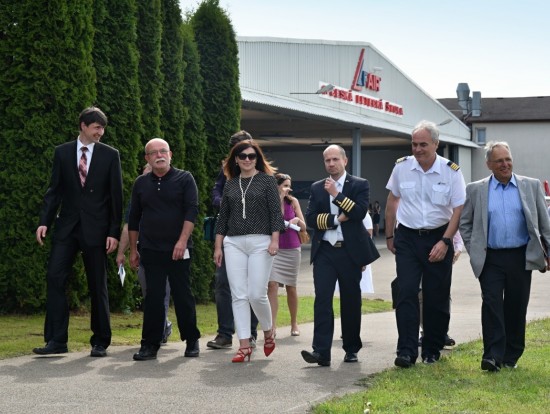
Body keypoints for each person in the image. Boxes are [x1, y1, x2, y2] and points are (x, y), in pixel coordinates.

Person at [33, 107, 123, 357]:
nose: (100, 132)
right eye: (96, 127)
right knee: (54, 277)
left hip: (97, 230)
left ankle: (100, 341)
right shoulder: (62, 153)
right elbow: (55, 190)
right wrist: (44, 222)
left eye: (103, 128)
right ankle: (56, 340)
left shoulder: (110, 155)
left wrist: (114, 232)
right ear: (83, 125)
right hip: (67, 227)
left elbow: (116, 196)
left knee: (98, 285)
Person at [459, 141, 550, 372]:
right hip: (490, 259)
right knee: (491, 304)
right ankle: (491, 355)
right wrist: (474, 248)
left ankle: (511, 355)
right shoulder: (476, 189)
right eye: (499, 161)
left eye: (508, 159)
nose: (505, 164)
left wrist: (548, 252)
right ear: (489, 164)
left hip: (521, 257)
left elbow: (544, 224)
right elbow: (465, 223)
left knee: (516, 306)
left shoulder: (530, 186)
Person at [385, 120, 466, 368]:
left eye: (423, 144)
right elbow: (392, 202)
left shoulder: (451, 171)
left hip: (439, 236)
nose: (417, 149)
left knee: (436, 295)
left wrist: (445, 241)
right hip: (407, 237)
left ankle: (432, 348)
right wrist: (389, 236)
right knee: (407, 292)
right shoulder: (402, 168)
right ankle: (406, 351)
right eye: (414, 144)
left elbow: (458, 209)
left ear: (435, 144)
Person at [301, 145, 377, 367]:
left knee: (351, 301)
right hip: (325, 250)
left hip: (350, 251)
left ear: (345, 161)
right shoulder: (316, 188)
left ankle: (351, 348)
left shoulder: (360, 184)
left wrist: (337, 194)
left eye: (335, 159)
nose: (331, 164)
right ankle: (321, 351)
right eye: (327, 160)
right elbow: (312, 220)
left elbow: (359, 213)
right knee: (322, 300)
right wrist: (335, 220)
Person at [213, 139, 285, 363]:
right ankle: (244, 345)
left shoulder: (266, 181)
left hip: (261, 242)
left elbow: (276, 213)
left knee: (256, 293)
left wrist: (275, 240)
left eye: (251, 156)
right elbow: (222, 218)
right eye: (242, 156)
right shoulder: (231, 184)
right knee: (238, 294)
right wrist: (218, 246)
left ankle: (267, 330)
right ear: (235, 159)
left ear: (257, 159)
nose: (246, 159)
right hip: (233, 243)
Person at [129, 138, 201, 361]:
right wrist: (133, 250)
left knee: (182, 296)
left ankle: (191, 340)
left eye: (163, 151)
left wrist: (181, 242)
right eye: (154, 153)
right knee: (153, 298)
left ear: (170, 154)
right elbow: (133, 219)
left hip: (179, 250)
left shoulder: (184, 178)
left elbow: (191, 212)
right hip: (150, 249)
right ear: (147, 158)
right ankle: (149, 345)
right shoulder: (141, 183)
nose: (159, 155)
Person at [207, 131, 259, 350]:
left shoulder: (261, 172)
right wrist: (222, 201)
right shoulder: (226, 170)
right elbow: (216, 191)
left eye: (247, 150)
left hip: (255, 235)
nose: (244, 156)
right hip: (229, 234)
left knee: (253, 287)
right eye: (238, 151)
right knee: (223, 284)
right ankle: (225, 333)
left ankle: (252, 333)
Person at [116, 164, 172, 344]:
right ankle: (163, 326)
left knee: (161, 292)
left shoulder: (172, 193)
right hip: (144, 252)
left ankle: (158, 333)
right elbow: (128, 226)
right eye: (147, 173)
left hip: (167, 252)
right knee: (149, 292)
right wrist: (121, 253)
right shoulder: (137, 198)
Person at [268, 173, 306, 337]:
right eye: (284, 185)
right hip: (274, 248)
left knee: (291, 286)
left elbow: (304, 227)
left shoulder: (294, 201)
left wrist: (297, 221)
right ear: (276, 186)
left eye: (289, 186)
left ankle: (294, 323)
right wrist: (280, 198)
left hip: (291, 247)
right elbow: (275, 218)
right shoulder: (269, 201)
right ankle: (272, 326)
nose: (288, 189)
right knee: (272, 285)